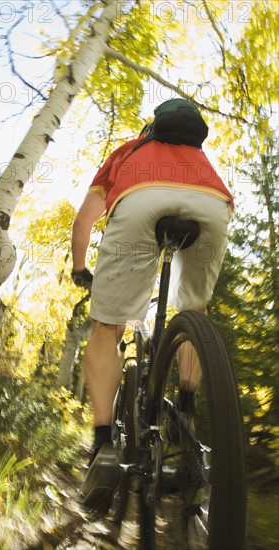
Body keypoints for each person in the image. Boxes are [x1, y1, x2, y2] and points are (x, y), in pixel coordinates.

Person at [71, 98, 233, 505]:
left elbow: (84, 220)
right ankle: (185, 409)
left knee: (107, 327)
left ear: (152, 128)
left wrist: (79, 268)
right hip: (212, 205)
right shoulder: (200, 159)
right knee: (194, 308)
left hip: (142, 200)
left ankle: (102, 444)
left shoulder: (129, 151)